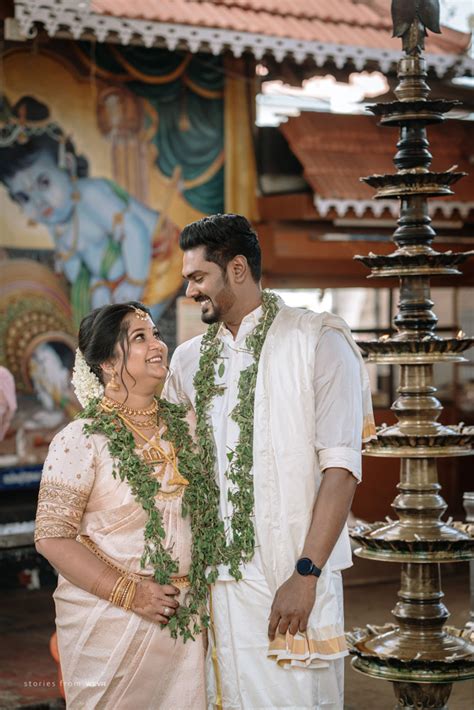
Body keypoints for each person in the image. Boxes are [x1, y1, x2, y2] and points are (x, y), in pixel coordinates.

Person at [163, 214, 376, 709]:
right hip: (217, 585)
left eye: (198, 277)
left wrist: (305, 575)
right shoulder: (188, 360)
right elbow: (175, 464)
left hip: (291, 576)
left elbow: (341, 470)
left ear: (237, 268)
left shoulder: (317, 341)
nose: (191, 291)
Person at [35, 302, 206, 709]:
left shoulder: (188, 426)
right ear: (109, 363)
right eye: (140, 338)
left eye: (157, 335)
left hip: (188, 619)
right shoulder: (81, 439)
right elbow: (52, 537)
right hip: (113, 622)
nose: (158, 346)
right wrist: (133, 594)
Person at [0, 95, 180, 325]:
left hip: (159, 259)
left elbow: (134, 232)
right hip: (116, 283)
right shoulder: (58, 223)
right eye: (23, 197)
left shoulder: (91, 194)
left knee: (129, 329)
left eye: (44, 183)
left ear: (68, 163)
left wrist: (133, 283)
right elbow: (78, 266)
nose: (39, 202)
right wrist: (96, 289)